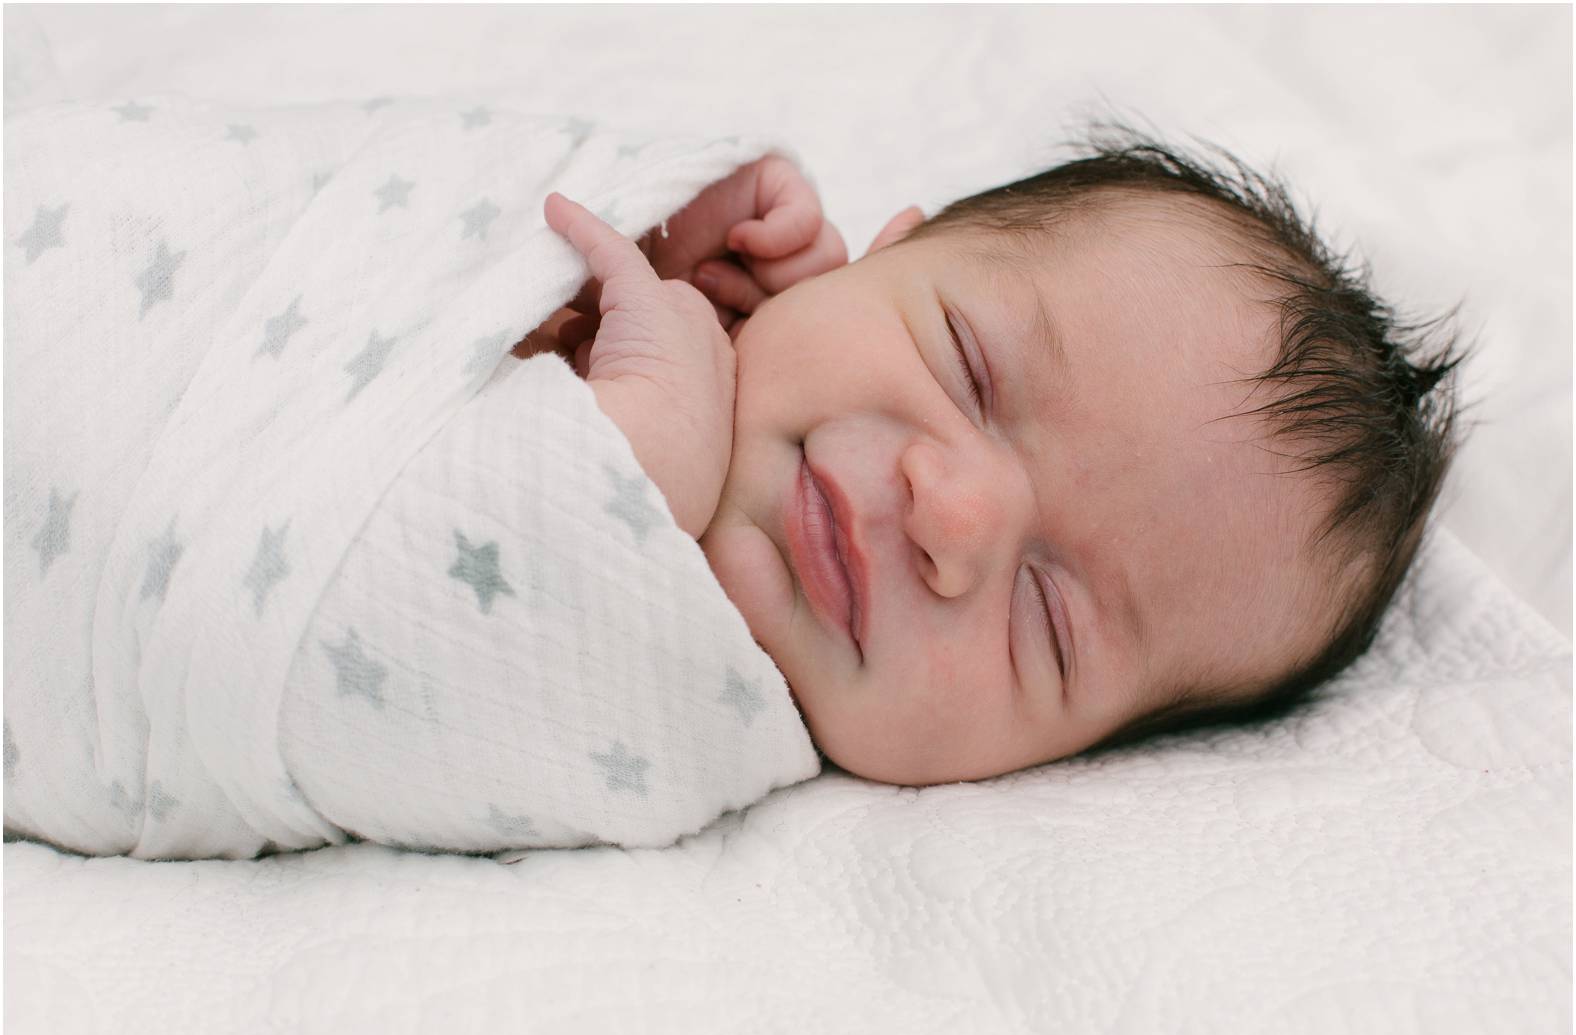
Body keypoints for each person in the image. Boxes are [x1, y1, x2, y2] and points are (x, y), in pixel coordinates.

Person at [529, 124, 1467, 787]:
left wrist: (614, 465)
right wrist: (643, 229)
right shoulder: (639, 283)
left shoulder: (679, 762)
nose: (952, 516)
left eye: (1045, 618)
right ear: (882, 255)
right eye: (968, 369)